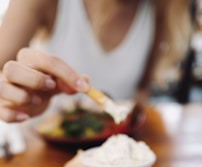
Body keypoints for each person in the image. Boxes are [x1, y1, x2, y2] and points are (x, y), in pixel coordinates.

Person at [0, 0, 193, 123]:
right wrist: (13, 93)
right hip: (37, 147)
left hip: (110, 150)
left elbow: (141, 90)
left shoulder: (160, 8)